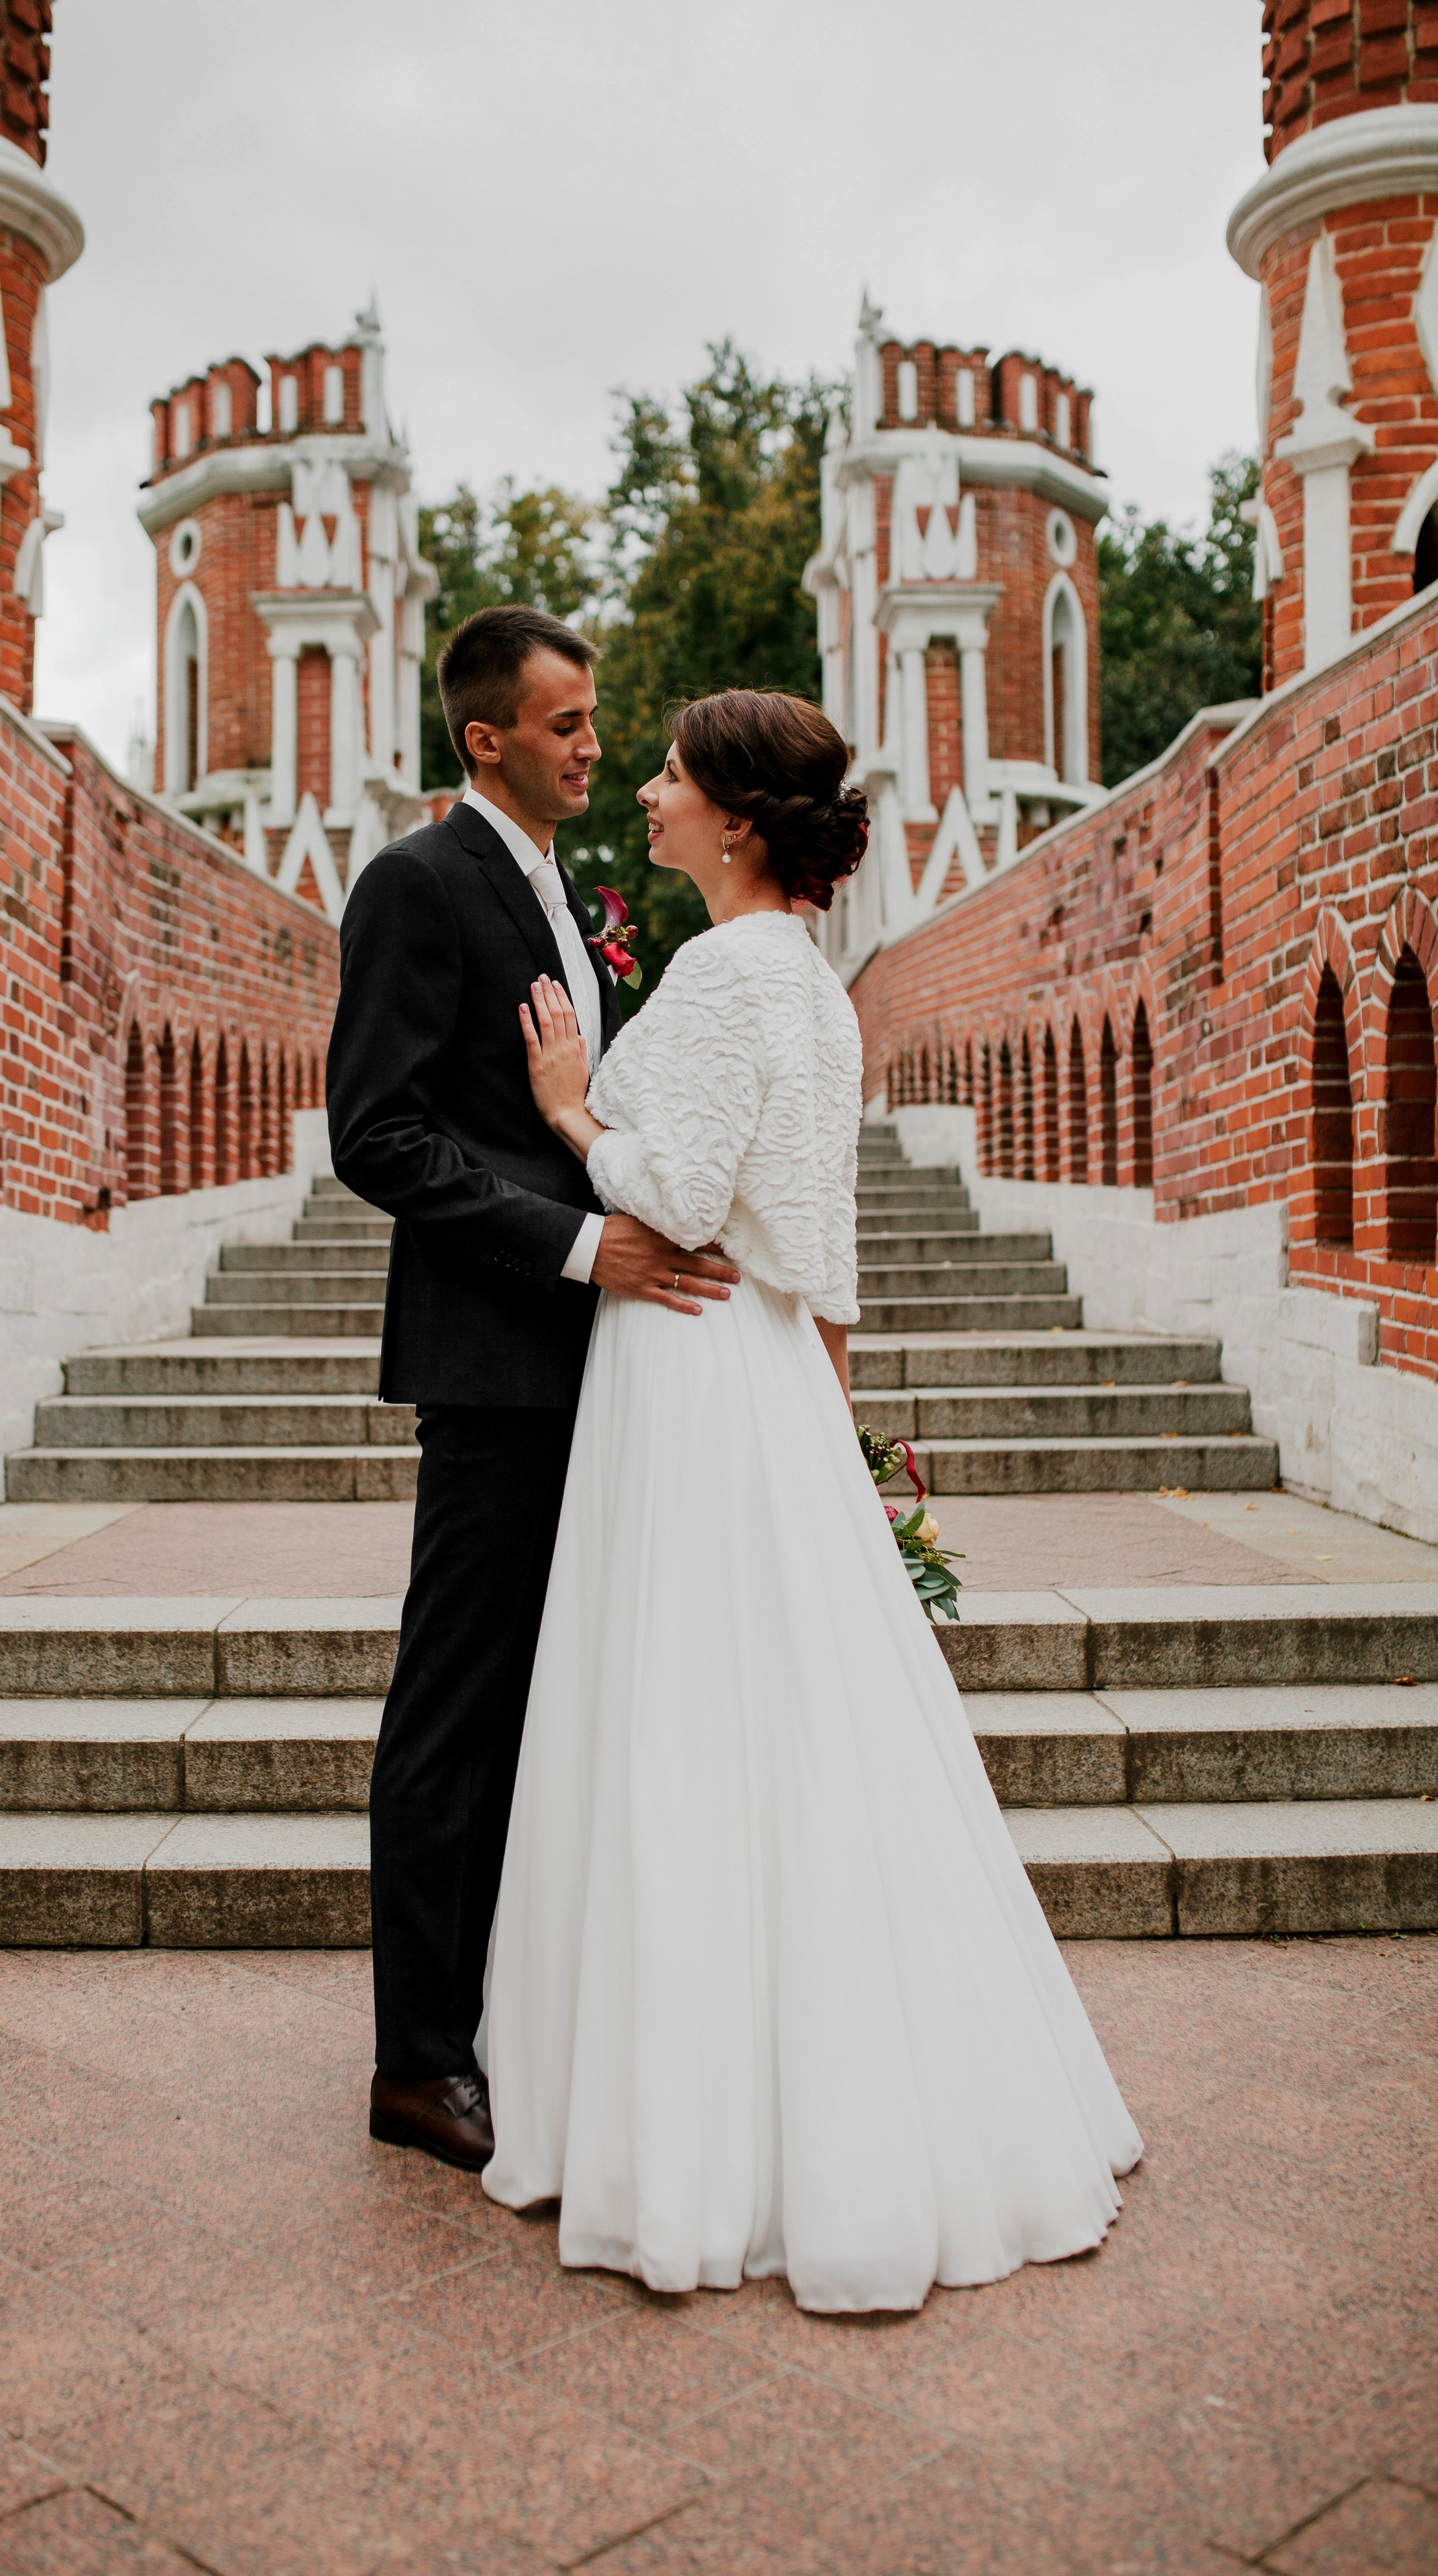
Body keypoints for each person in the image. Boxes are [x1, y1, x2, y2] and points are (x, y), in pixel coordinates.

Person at [481, 688, 1143, 2314]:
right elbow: (821, 1245)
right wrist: (830, 1417)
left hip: (690, 1371)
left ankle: (688, 2126)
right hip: (770, 1368)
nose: (642, 791)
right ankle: (853, 2093)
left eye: (670, 776)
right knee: (802, 1722)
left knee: (686, 1719)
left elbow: (681, 1191)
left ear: (736, 817)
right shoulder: (822, 991)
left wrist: (571, 1108)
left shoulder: (718, 972)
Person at [325, 605, 738, 2175]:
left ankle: (504, 2007)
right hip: (501, 1364)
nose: (593, 748)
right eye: (565, 726)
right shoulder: (416, 884)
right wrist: (579, 1249)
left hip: (599, 1367)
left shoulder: (576, 894)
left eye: (593, 720)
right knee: (457, 1705)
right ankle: (416, 2061)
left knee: (553, 1703)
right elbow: (377, 1136)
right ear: (484, 737)